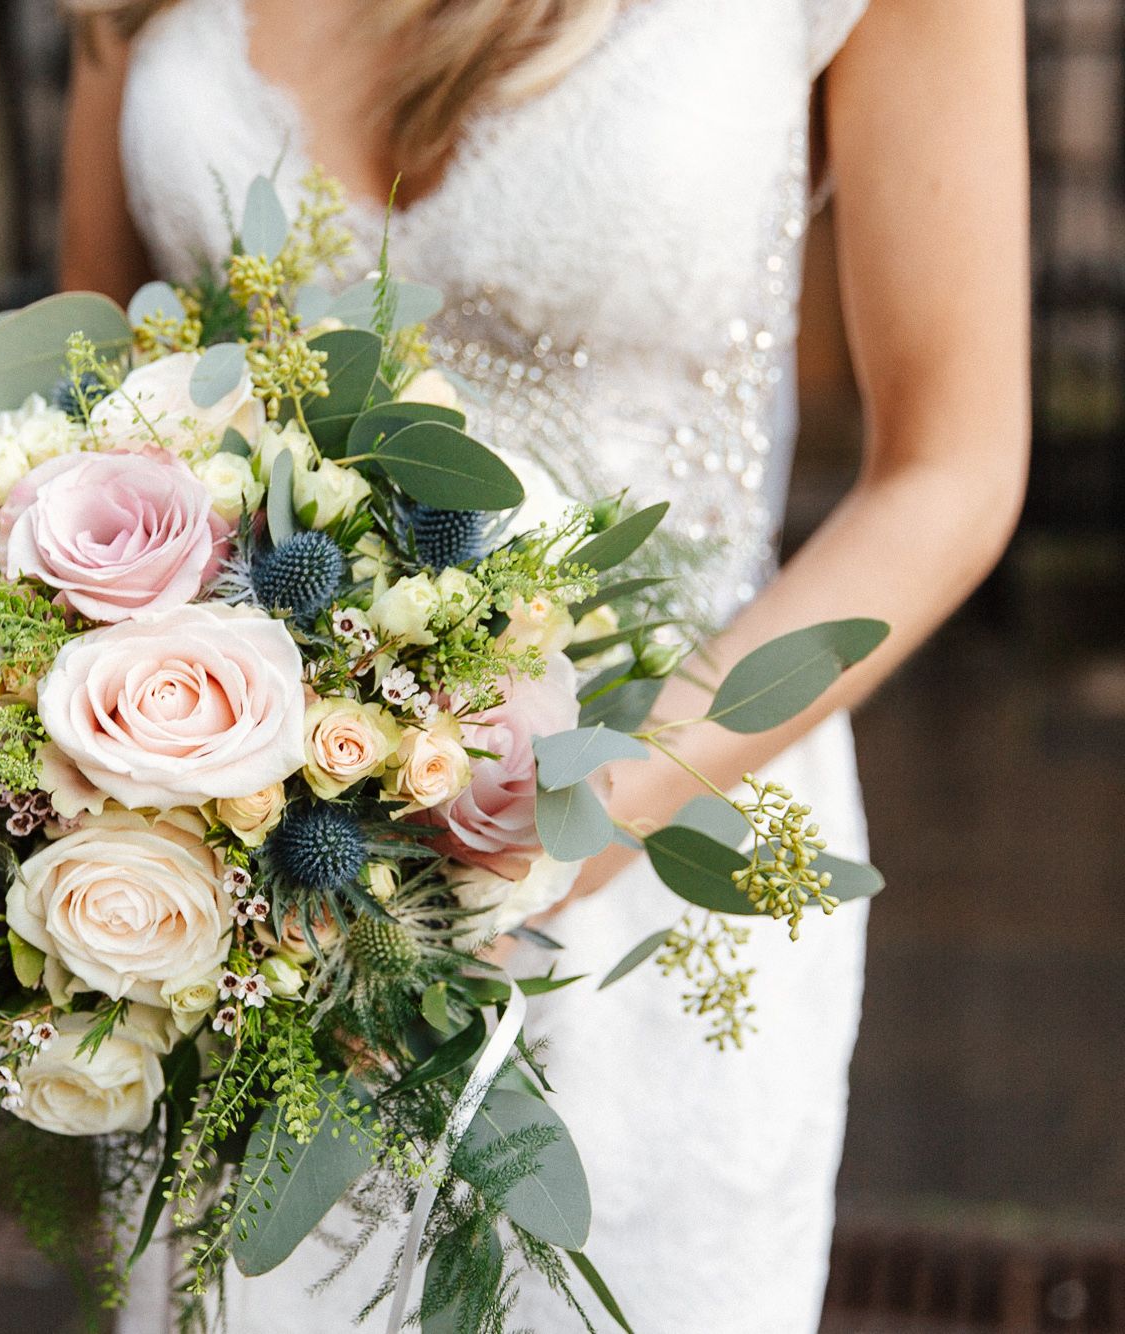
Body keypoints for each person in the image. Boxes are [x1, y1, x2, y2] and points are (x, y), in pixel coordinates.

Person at [61, 0, 1029, 1328]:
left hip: (660, 880)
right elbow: (93, 401)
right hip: (247, 901)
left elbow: (950, 472)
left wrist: (569, 826)